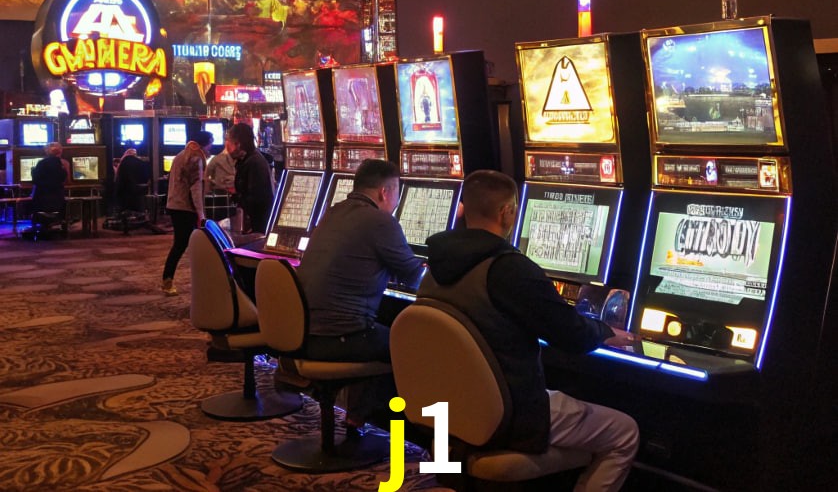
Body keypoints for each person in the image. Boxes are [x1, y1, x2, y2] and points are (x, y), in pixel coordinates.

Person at [420, 170, 639, 491]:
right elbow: (573, 336)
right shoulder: (508, 268)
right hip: (510, 412)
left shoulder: (435, 266)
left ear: (463, 209)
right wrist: (604, 330)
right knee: (624, 432)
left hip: (453, 408)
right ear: (506, 212)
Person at [296, 158, 424, 428]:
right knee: (413, 343)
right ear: (385, 192)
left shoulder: (333, 211)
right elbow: (415, 277)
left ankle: (358, 416)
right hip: (337, 336)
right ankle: (404, 432)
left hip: (303, 331)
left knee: (382, 327)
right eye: (397, 193)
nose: (397, 202)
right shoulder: (380, 221)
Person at [161, 130, 214, 296]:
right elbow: (195, 189)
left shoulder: (181, 155)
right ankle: (168, 280)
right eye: (210, 144)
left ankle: (172, 280)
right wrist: (201, 214)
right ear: (204, 144)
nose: (211, 148)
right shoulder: (195, 159)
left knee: (184, 244)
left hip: (174, 204)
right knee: (182, 245)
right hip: (185, 207)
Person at [227, 122, 274, 234]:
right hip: (254, 223)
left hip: (258, 226)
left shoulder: (254, 162)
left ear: (238, 144)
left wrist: (235, 196)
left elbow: (257, 199)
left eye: (228, 141)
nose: (227, 146)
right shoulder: (248, 159)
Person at [30, 142, 71, 231]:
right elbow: (67, 181)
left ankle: (38, 223)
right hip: (58, 200)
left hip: (41, 201)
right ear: (60, 151)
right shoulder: (64, 164)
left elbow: (35, 180)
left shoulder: (41, 163)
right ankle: (61, 222)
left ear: (47, 152)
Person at [114, 148, 150, 213]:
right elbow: (146, 177)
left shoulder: (122, 163)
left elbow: (118, 180)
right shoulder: (140, 162)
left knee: (125, 214)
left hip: (124, 194)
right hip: (138, 194)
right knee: (138, 214)